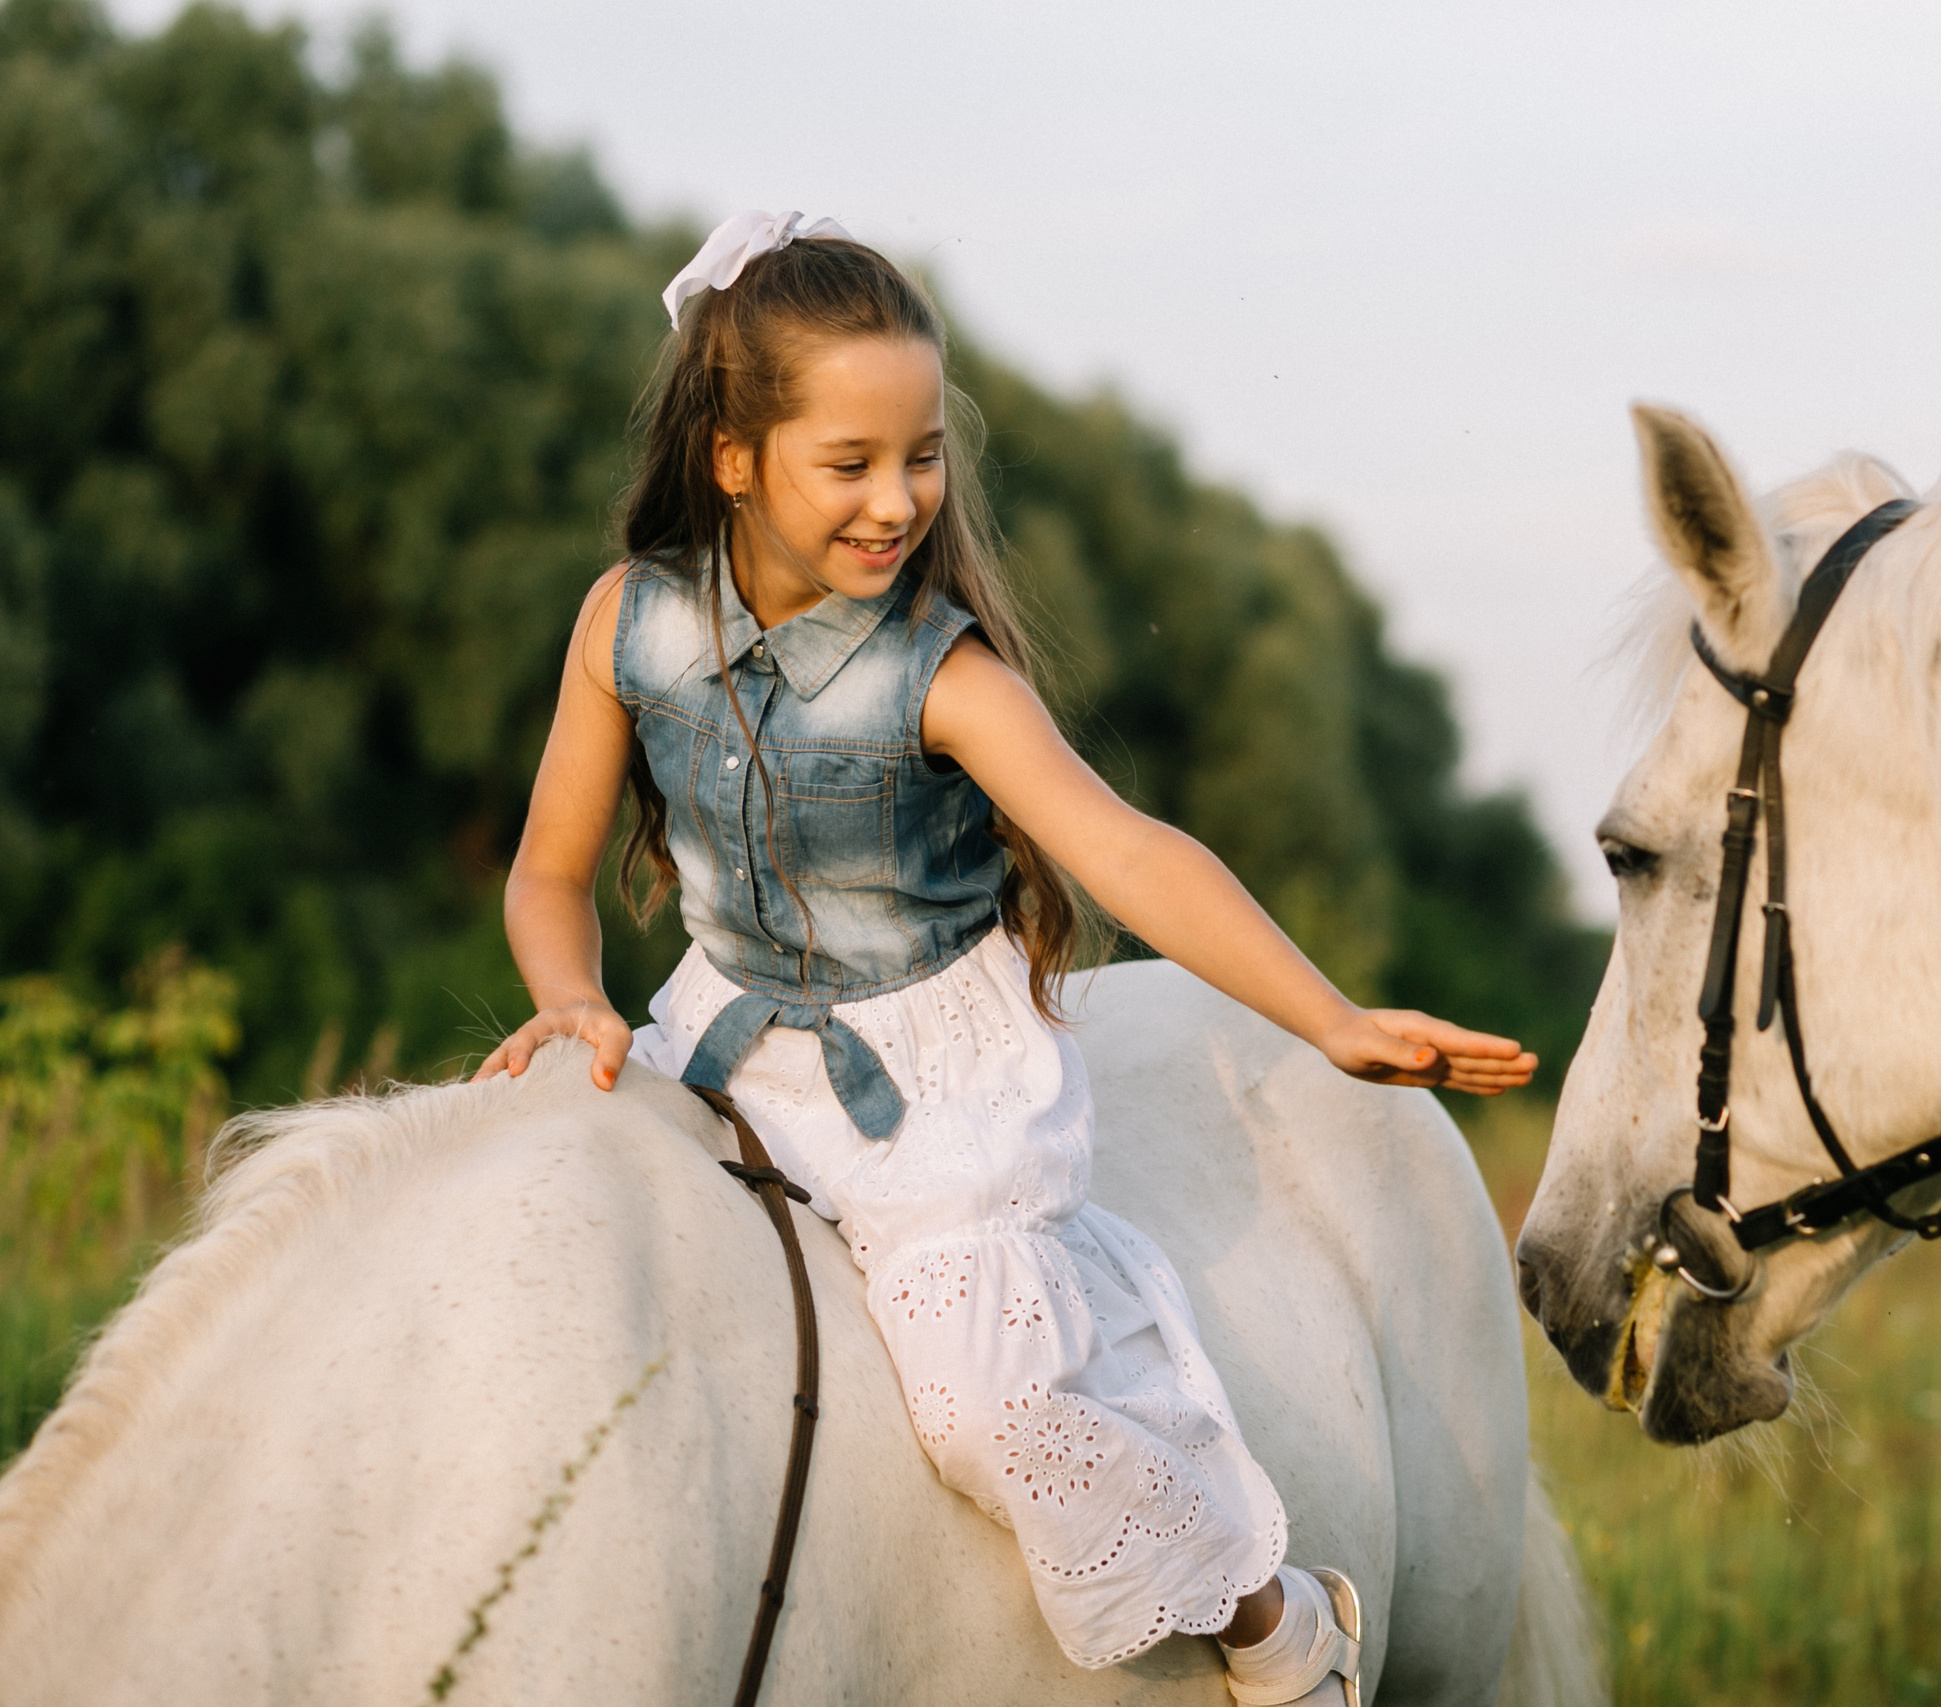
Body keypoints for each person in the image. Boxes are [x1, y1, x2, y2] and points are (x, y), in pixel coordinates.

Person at [472, 212, 1535, 1704]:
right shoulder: (628, 626)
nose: (898, 499)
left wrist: (1329, 1017)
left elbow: (1126, 852)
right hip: (716, 1036)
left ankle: (1274, 1617)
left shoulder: (941, 673)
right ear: (732, 457)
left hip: (926, 1079)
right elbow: (545, 872)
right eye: (850, 463)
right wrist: (571, 997)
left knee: (988, 1401)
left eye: (920, 455)